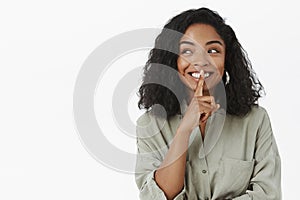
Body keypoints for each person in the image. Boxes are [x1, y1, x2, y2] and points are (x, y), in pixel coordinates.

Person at [135, 7, 281, 200]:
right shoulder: (150, 124)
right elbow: (156, 196)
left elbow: (269, 194)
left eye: (213, 50)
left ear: (226, 59)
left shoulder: (255, 120)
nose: (201, 61)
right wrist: (184, 130)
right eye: (187, 50)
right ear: (173, 61)